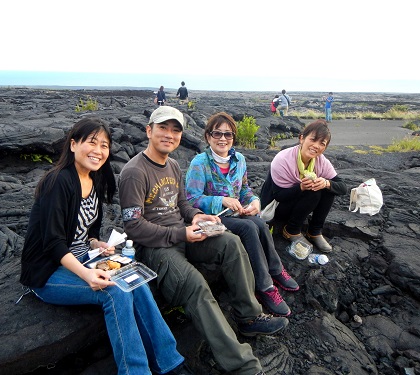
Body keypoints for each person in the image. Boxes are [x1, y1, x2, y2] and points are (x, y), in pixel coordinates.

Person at [119, 106, 288, 375]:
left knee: (231, 242)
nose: (169, 134)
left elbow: (183, 204)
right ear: (149, 131)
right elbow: (134, 226)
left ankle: (249, 316)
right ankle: (243, 366)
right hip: (155, 248)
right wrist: (181, 233)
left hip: (184, 234)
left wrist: (197, 217)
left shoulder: (172, 165)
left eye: (175, 130)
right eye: (163, 128)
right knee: (196, 285)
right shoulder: (134, 172)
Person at [19, 117, 192, 375]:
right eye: (92, 143)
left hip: (81, 257)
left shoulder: (96, 180)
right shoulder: (58, 182)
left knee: (135, 279)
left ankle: (169, 360)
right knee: (116, 291)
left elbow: (85, 232)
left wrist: (95, 243)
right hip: (47, 271)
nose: (98, 151)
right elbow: (54, 243)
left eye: (104, 145)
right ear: (74, 144)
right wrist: (87, 274)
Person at [185, 112, 299, 317]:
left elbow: (244, 189)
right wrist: (221, 200)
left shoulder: (239, 160)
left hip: (236, 214)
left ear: (233, 138)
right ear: (208, 137)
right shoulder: (199, 163)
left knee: (260, 223)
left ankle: (275, 269)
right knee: (248, 227)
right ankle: (265, 288)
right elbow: (191, 199)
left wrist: (254, 201)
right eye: (217, 133)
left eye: (228, 134)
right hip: (211, 218)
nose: (222, 139)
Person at [260, 119, 347, 253]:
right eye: (313, 140)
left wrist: (326, 183)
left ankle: (315, 231)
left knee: (327, 187)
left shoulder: (321, 161)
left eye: (322, 143)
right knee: (314, 191)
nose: (316, 146)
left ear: (324, 148)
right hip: (276, 206)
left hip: (297, 203)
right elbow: (278, 195)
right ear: (302, 138)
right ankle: (291, 231)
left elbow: (342, 187)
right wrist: (300, 188)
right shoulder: (283, 159)